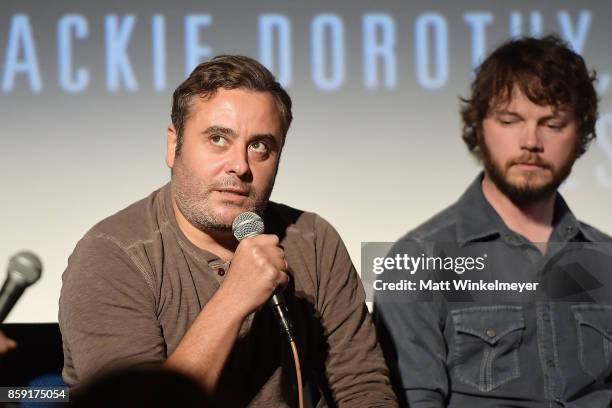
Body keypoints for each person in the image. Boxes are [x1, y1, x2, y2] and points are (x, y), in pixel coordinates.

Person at [59, 55, 396, 407]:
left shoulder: (312, 239)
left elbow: (362, 388)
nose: (240, 166)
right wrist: (234, 299)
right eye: (218, 139)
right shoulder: (112, 254)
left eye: (259, 146)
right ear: (173, 146)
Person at [374, 35, 612, 407]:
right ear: (480, 125)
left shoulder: (606, 259)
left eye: (552, 124)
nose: (530, 141)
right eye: (510, 120)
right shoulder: (421, 260)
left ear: (579, 133)